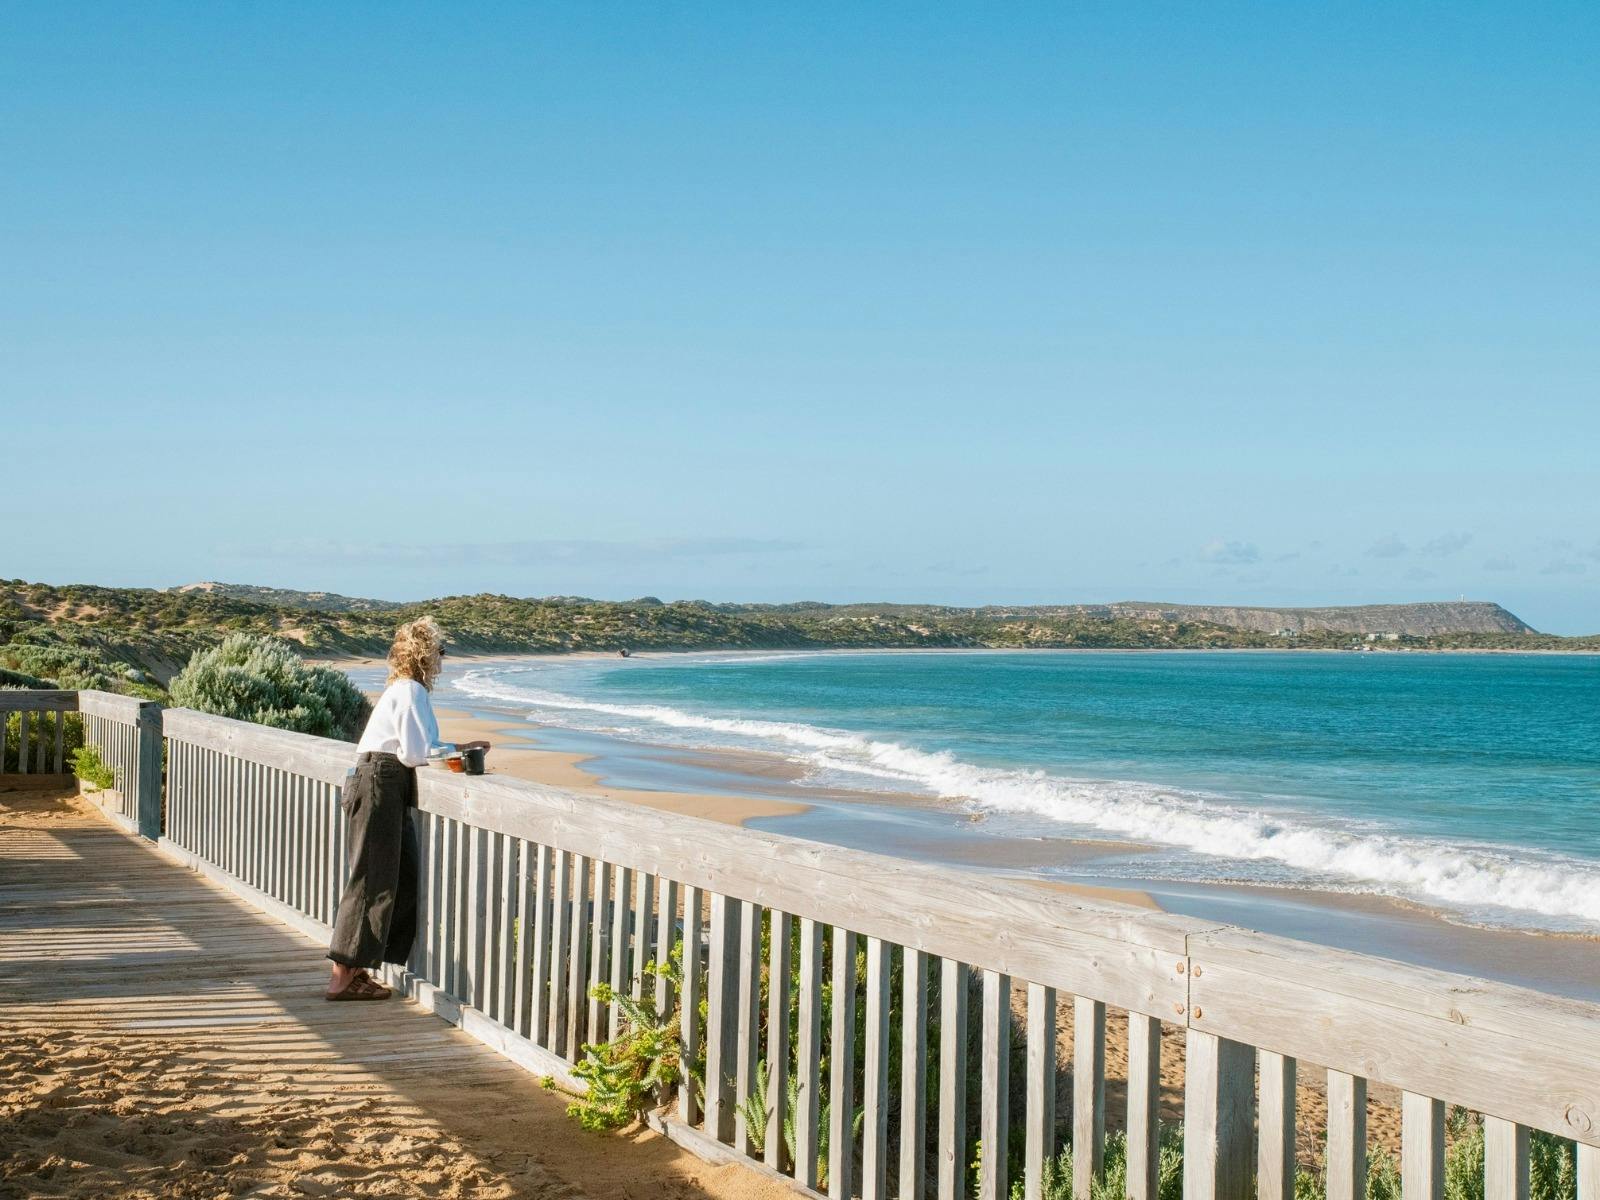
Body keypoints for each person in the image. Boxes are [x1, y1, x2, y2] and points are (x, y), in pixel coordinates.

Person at [325, 616, 487, 1000]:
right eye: (440, 652)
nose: (443, 660)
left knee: (393, 877)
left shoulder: (402, 690)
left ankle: (357, 970)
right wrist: (455, 754)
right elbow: (414, 753)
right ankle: (342, 977)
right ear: (425, 656)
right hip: (382, 781)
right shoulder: (412, 691)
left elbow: (413, 745)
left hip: (378, 781)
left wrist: (455, 747)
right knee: (371, 880)